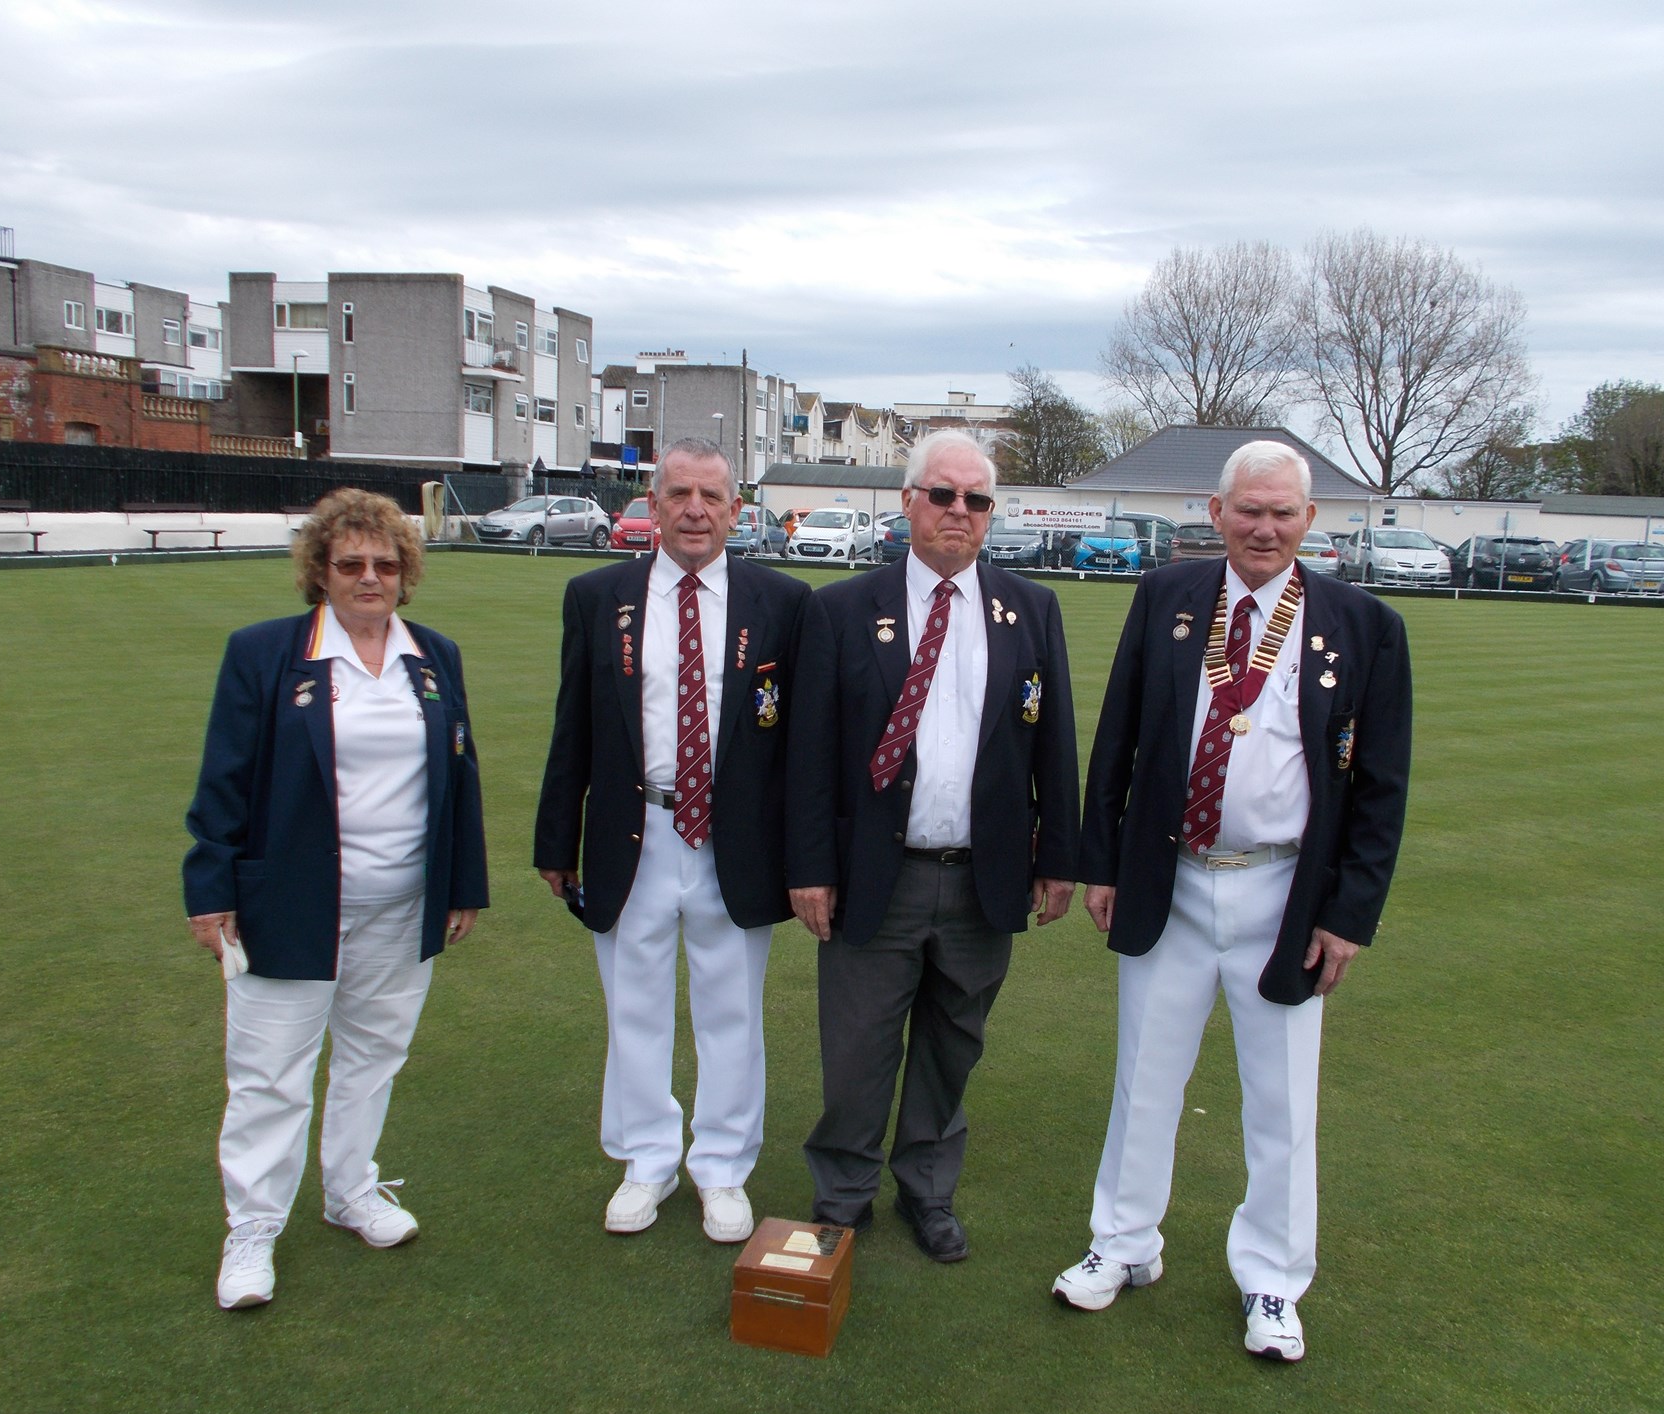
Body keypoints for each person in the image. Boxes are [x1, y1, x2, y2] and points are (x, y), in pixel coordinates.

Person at [1049, 439, 1412, 1362]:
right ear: (1215, 514)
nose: (1264, 528)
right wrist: (1106, 865)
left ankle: (1274, 1281)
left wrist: (1348, 916)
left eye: (1283, 513)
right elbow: (1120, 739)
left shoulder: (1363, 626)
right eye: (1248, 511)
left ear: (1309, 521)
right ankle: (1123, 1246)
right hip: (1171, 881)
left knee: (1282, 1100)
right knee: (1144, 1079)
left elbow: (1380, 789)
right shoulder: (1167, 599)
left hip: (1283, 891)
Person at [184, 487, 488, 1311]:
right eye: (350, 563)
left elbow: (458, 778)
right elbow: (224, 784)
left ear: (406, 573)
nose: (369, 578)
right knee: (270, 1075)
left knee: (371, 1059)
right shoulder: (265, 655)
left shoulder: (435, 658)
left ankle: (350, 1188)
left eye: (385, 564)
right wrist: (209, 892)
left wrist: (463, 885)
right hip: (289, 904)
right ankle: (251, 1231)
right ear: (320, 570)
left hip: (402, 904)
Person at [786, 429, 1079, 1262]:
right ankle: (843, 1191)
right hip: (877, 875)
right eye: (943, 495)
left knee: (953, 1046)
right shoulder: (841, 609)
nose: (959, 512)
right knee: (857, 1051)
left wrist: (1059, 857)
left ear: (992, 514)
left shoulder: (1030, 610)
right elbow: (808, 753)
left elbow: (1053, 744)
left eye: (976, 500)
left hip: (982, 877)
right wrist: (809, 869)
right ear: (909, 502)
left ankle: (927, 1190)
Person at [534, 438, 809, 1244]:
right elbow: (572, 727)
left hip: (736, 840)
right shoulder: (597, 596)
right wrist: (558, 841)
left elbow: (799, 745)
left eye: (711, 496)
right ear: (652, 507)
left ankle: (722, 1168)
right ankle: (647, 1160)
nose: (696, 509)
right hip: (635, 832)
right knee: (636, 1007)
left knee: (732, 1011)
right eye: (679, 494)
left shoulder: (782, 603)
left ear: (735, 510)